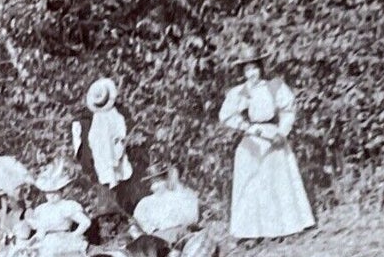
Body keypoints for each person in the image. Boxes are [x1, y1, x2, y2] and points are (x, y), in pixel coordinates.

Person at [218, 43, 315, 240]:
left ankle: (283, 228)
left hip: (274, 136)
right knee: (251, 184)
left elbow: (288, 110)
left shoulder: (274, 86)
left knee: (277, 181)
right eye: (247, 69)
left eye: (254, 68)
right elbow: (226, 115)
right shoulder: (240, 92)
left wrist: (282, 132)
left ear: (261, 68)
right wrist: (247, 127)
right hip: (253, 138)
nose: (251, 73)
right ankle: (251, 232)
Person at [22, 159, 91, 257]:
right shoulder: (42, 209)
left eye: (55, 192)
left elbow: (85, 222)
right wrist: (32, 241)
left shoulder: (66, 205)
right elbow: (41, 231)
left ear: (61, 191)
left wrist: (73, 236)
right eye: (48, 193)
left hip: (62, 240)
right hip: (46, 242)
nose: (51, 196)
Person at [132, 166, 201, 245]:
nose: (156, 184)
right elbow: (138, 224)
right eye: (153, 181)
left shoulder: (182, 196)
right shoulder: (145, 203)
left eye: (159, 180)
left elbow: (192, 219)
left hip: (183, 235)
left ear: (166, 179)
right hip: (159, 239)